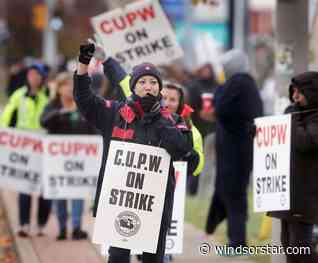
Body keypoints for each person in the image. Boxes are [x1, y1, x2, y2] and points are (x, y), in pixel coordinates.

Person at [74, 42, 197, 263]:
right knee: (118, 259)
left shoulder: (174, 120)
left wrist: (160, 120)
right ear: (133, 87)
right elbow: (84, 99)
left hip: (156, 210)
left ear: (159, 88)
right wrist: (83, 65)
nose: (148, 86)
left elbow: (183, 150)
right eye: (142, 82)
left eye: (153, 82)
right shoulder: (115, 113)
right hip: (119, 206)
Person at [205, 49, 263, 248]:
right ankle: (233, 239)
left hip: (236, 152)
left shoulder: (240, 82)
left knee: (234, 195)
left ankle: (237, 242)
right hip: (233, 151)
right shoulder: (240, 83)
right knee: (229, 194)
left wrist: (215, 103)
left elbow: (220, 108)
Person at [268, 72, 318, 263]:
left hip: (305, 192)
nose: (295, 97)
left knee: (301, 247)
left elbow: (305, 141)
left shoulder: (307, 117)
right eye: (293, 92)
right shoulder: (294, 113)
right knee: (289, 245)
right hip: (287, 191)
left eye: (300, 92)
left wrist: (292, 119)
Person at [40, 72, 97, 240]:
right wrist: (59, 113)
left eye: (71, 86)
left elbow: (93, 127)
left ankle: (76, 227)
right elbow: (43, 122)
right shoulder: (53, 105)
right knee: (60, 193)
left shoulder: (82, 105)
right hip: (58, 161)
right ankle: (62, 227)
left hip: (80, 161)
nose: (69, 89)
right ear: (58, 89)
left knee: (77, 192)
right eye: (65, 85)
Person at [0, 63, 51, 237]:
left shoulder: (49, 96)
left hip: (45, 149)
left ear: (42, 77)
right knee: (25, 187)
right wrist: (5, 137)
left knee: (45, 190)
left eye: (37, 74)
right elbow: (6, 118)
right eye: (31, 74)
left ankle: (41, 224)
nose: (33, 77)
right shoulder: (19, 95)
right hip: (25, 149)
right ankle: (24, 224)